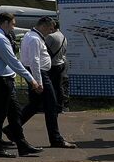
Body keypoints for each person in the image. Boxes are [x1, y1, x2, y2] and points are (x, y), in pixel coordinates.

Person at [0, 13, 42, 158]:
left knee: (15, 114)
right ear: (5, 23)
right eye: (13, 24)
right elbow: (12, 61)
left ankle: (22, 145)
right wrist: (31, 80)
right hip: (0, 80)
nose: (13, 27)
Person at [18, 17, 75, 149]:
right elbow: (35, 61)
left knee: (35, 105)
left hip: (38, 73)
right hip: (40, 74)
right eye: (50, 29)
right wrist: (38, 81)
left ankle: (13, 128)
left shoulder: (31, 36)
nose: (50, 32)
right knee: (51, 105)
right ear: (43, 26)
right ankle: (55, 139)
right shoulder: (34, 39)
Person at [44, 21, 70, 112]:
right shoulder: (63, 36)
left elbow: (44, 50)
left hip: (53, 64)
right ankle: (61, 106)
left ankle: (52, 105)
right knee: (59, 86)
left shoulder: (51, 37)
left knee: (51, 87)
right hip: (62, 63)